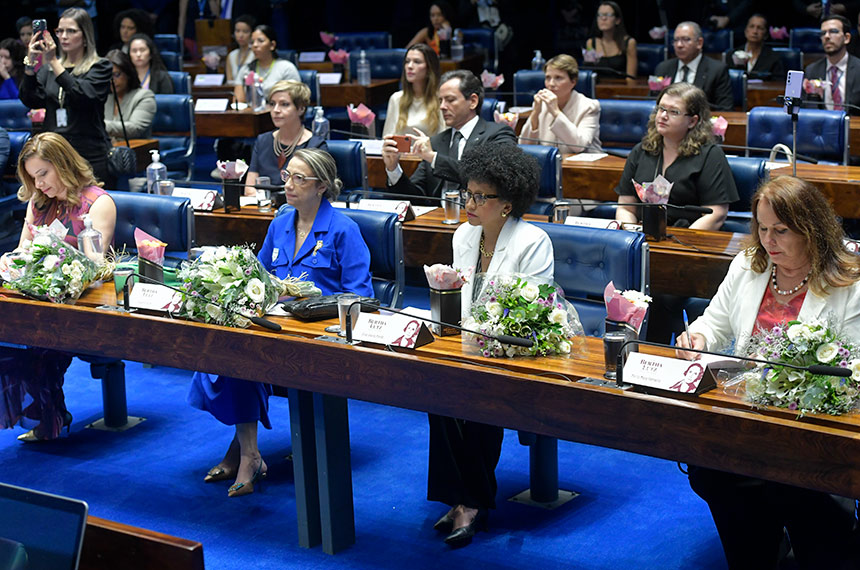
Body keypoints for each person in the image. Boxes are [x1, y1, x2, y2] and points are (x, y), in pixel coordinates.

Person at [676, 175, 860, 569]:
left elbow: (851, 367)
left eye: (781, 230)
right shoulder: (748, 265)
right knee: (710, 472)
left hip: (813, 430)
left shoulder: (849, 281)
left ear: (811, 230)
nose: (768, 240)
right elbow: (714, 321)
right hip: (749, 422)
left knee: (817, 527)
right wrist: (698, 337)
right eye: (761, 228)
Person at [188, 148, 372, 497]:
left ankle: (244, 455)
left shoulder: (344, 231)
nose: (289, 184)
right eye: (287, 175)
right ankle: (248, 452)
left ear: (322, 186)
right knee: (226, 351)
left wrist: (312, 311)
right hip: (273, 325)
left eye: (300, 178)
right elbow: (258, 275)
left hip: (315, 335)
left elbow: (358, 296)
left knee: (247, 358)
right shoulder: (280, 222)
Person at [428, 143, 553, 548]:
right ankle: (458, 496)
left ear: (507, 202)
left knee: (481, 399)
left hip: (515, 350)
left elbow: (531, 308)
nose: (470, 202)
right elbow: (458, 299)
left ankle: (473, 503)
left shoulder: (533, 241)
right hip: (466, 345)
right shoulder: (465, 235)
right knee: (436, 391)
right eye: (468, 193)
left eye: (482, 196)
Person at [0, 132, 116, 442]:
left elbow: (95, 268)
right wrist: (9, 261)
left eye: (43, 174)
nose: (38, 185)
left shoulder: (98, 203)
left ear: (63, 165)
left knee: (37, 341)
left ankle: (51, 416)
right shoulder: (38, 203)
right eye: (31, 177)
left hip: (83, 306)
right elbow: (22, 252)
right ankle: (51, 413)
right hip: (39, 299)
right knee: (9, 338)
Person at [615, 83, 738, 231]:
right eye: (661, 109)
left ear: (692, 121)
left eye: (674, 112)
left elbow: (716, 214)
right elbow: (625, 208)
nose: (663, 116)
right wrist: (633, 238)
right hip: (643, 238)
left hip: (688, 239)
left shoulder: (710, 155)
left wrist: (680, 244)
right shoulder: (641, 150)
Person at [381, 69, 516, 201]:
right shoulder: (436, 142)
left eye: (450, 100)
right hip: (438, 219)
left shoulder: (498, 134)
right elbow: (417, 196)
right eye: (440, 101)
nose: (442, 107)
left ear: (473, 101)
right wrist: (393, 169)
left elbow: (490, 178)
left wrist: (434, 158)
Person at [19, 8, 113, 185]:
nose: (63, 36)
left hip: (89, 153)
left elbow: (82, 96)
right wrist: (30, 62)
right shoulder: (48, 69)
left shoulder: (100, 67)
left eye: (71, 31)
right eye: (60, 31)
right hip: (55, 155)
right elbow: (29, 98)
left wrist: (53, 60)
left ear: (85, 36)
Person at [244, 80, 326, 196]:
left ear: (301, 109)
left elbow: (314, 193)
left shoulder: (315, 146)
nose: (276, 110)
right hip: (264, 209)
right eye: (272, 104)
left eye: (284, 104)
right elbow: (249, 189)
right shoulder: (263, 140)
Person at [519, 53, 601, 154]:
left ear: (573, 81)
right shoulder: (542, 104)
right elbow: (524, 146)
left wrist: (555, 112)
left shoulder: (589, 107)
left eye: (558, 78)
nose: (551, 84)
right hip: (550, 165)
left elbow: (579, 146)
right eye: (548, 78)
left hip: (584, 166)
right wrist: (535, 113)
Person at [654, 21, 733, 111]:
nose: (679, 45)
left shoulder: (717, 70)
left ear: (699, 43)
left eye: (686, 39)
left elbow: (725, 108)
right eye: (676, 40)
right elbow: (653, 102)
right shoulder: (663, 68)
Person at [382, 43, 444, 137]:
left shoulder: (442, 99)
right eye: (407, 61)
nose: (409, 66)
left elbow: (446, 143)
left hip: (429, 151)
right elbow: (387, 139)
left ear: (429, 68)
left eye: (417, 62)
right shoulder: (396, 99)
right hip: (401, 151)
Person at [805, 14, 860, 116]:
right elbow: (808, 109)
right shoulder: (812, 70)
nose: (826, 36)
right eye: (823, 33)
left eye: (833, 31)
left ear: (847, 38)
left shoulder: (858, 68)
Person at [233, 25, 299, 104]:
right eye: (252, 42)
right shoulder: (245, 69)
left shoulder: (286, 68)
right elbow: (238, 102)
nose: (255, 45)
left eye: (260, 41)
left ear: (272, 45)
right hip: (251, 114)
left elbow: (295, 101)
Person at [103, 49, 156, 141]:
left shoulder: (144, 96)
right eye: (108, 75)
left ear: (128, 73)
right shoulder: (105, 97)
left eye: (116, 74)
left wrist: (99, 125)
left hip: (136, 151)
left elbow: (134, 128)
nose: (112, 80)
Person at [584, 1, 638, 82]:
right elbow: (589, 73)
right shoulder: (591, 43)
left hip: (621, 89)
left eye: (608, 15)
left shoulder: (629, 43)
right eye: (600, 15)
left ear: (617, 20)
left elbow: (631, 78)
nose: (603, 18)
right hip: (597, 89)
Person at [729, 14, 785, 80]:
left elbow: (778, 84)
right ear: (745, 31)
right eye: (751, 26)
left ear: (766, 34)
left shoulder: (774, 57)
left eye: (760, 28)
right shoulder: (732, 54)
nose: (755, 31)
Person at [226, 14, 255, 86]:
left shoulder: (256, 53)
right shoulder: (231, 55)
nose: (240, 35)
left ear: (252, 34)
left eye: (245, 31)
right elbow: (229, 81)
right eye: (237, 31)